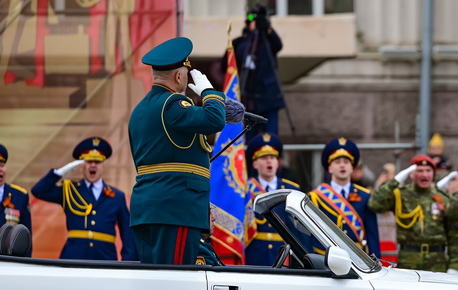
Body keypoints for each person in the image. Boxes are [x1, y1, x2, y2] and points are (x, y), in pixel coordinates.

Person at [129, 37, 238, 265]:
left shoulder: (139, 111)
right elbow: (214, 119)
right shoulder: (172, 104)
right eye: (186, 75)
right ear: (179, 76)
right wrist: (208, 91)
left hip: (150, 209)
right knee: (175, 283)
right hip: (175, 210)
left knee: (156, 283)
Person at [32, 137, 136, 260]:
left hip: (106, 260)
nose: (93, 165)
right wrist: (60, 172)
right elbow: (38, 191)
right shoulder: (69, 190)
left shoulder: (117, 196)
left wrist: (127, 263)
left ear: (103, 166)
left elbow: (127, 235)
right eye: (88, 161)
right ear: (81, 166)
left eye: (97, 162)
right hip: (74, 259)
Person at [369, 154, 451, 272]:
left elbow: (453, 234)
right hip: (409, 258)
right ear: (411, 174)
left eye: (428, 170)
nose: (424, 175)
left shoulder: (441, 197)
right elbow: (374, 204)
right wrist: (395, 181)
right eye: (420, 171)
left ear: (433, 174)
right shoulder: (401, 194)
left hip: (437, 260)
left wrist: (454, 266)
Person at [310, 137, 380, 258]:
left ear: (352, 168)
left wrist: (377, 262)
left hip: (357, 260)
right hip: (326, 258)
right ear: (330, 168)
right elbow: (309, 233)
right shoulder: (316, 197)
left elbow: (372, 235)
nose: (342, 165)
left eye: (346, 162)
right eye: (337, 162)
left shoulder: (365, 196)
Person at [225, 4, 284, 135]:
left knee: (271, 136)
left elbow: (278, 45)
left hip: (269, 97)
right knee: (251, 138)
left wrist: (267, 28)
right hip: (248, 98)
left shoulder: (268, 41)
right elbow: (230, 61)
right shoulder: (241, 42)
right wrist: (250, 35)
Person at [245, 132, 300, 265]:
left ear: (278, 162)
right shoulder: (245, 189)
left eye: (272, 157)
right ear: (255, 164)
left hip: (283, 253)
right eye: (263, 157)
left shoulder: (292, 189)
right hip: (254, 254)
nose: (269, 161)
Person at [0, 144, 32, 254]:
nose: (0, 170)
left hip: (11, 264)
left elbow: (27, 237)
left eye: (2, 165)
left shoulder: (20, 195)